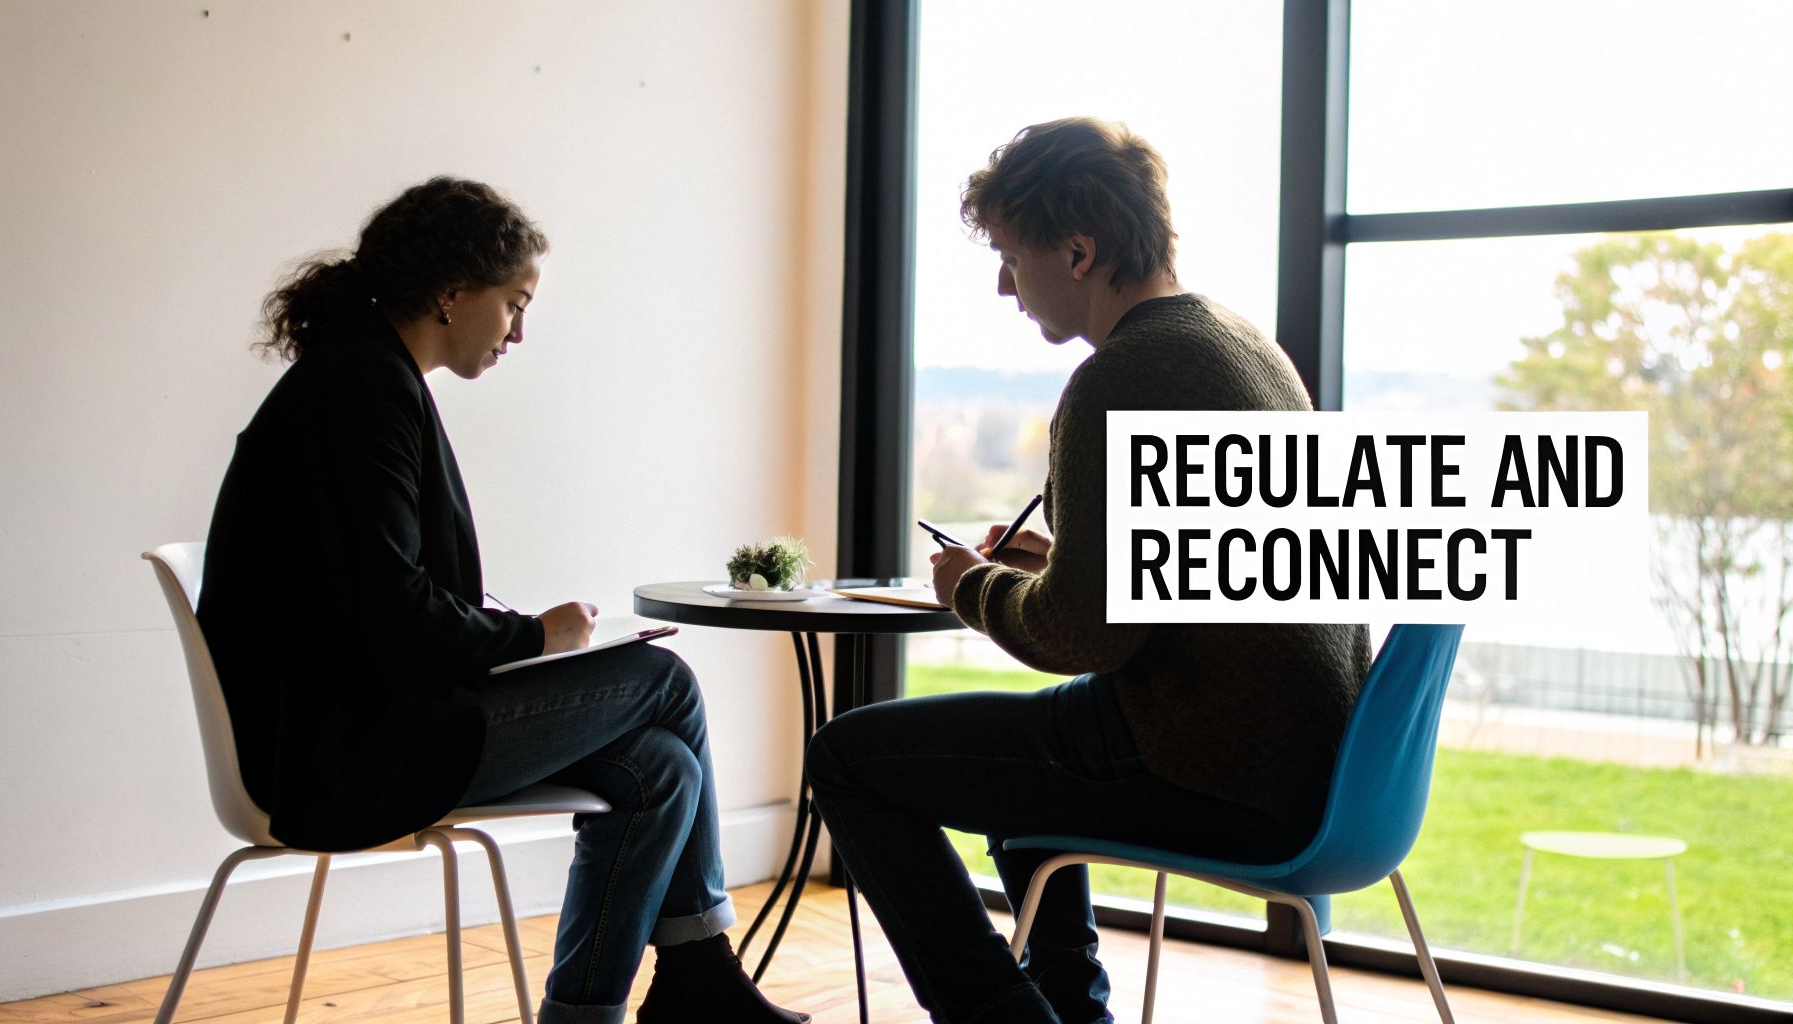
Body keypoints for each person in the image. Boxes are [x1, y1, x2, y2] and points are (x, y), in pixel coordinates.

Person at [805, 119, 1373, 1024]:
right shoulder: (1244, 346)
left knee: (847, 759)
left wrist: (973, 589)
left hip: (1212, 764)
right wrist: (1068, 563)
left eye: (1007, 254)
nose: (1002, 283)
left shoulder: (1123, 376)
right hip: (1322, 766)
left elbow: (1080, 637)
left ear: (1077, 251)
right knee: (1013, 762)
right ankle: (1072, 1007)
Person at [197, 177, 804, 1024]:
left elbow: (374, 591)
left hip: (362, 717)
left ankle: (592, 1011)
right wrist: (535, 635)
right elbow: (391, 610)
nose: (521, 329)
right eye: (515, 303)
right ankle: (700, 977)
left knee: (659, 769)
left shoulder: (363, 374)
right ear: (452, 294)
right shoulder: (361, 391)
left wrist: (515, 635)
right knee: (664, 681)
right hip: (346, 747)